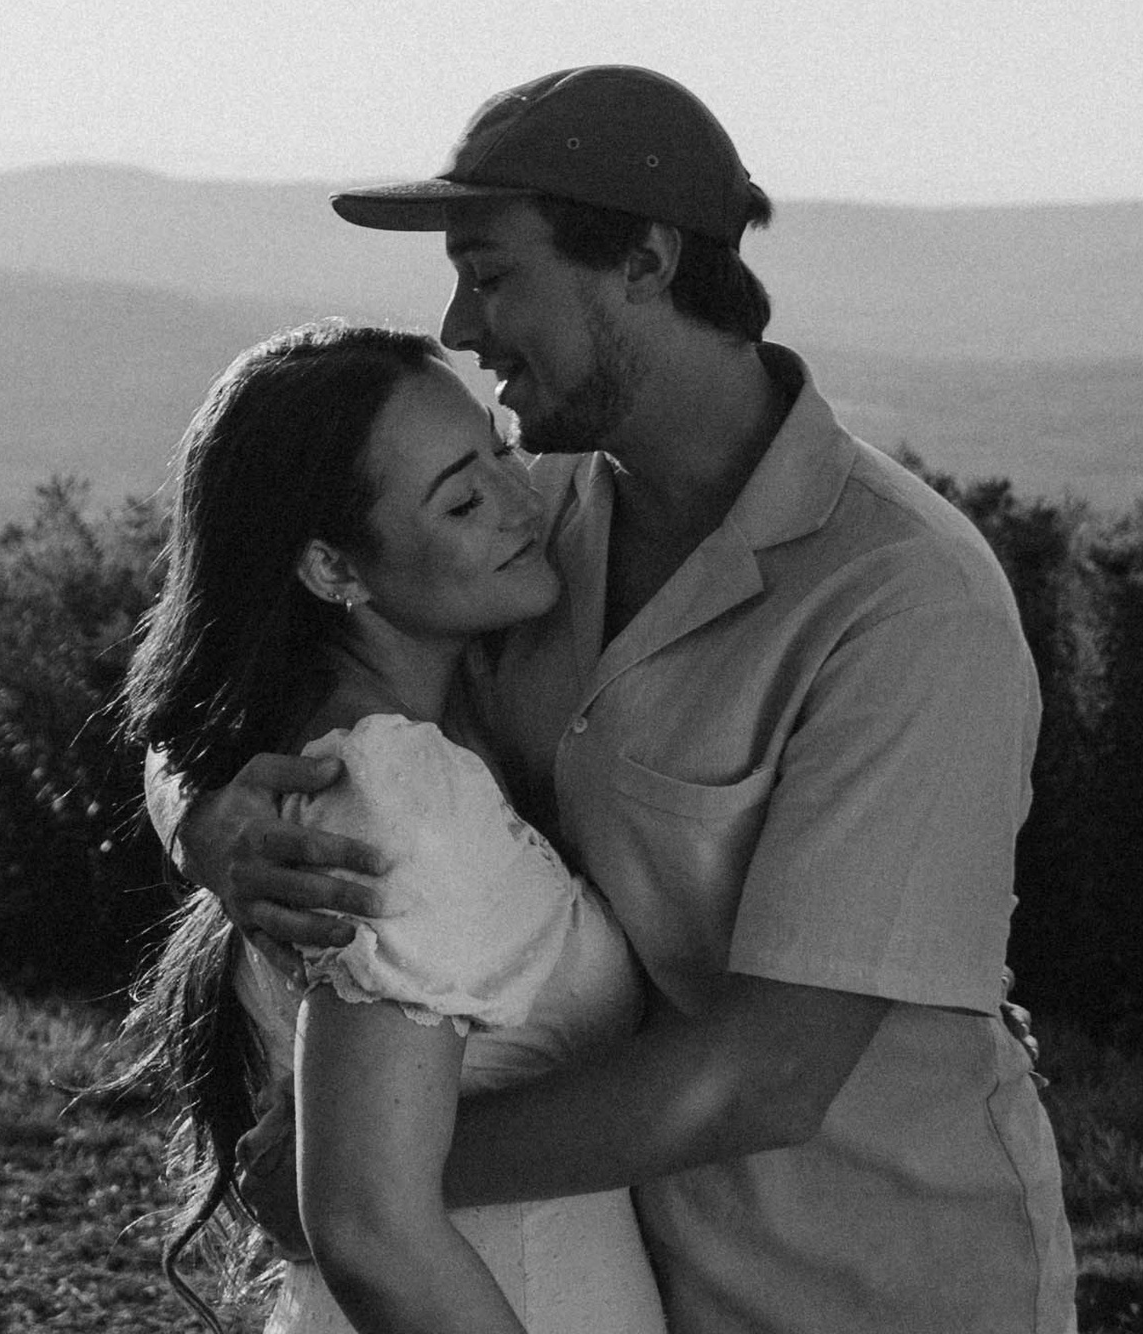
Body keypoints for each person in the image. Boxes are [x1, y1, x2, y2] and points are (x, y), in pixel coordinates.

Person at [158, 67, 1077, 1334]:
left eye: (490, 274)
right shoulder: (533, 529)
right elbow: (294, 679)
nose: (461, 326)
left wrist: (362, 1187)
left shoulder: (905, 603)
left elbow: (766, 1076)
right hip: (609, 1278)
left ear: (641, 262)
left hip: (868, 1283)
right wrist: (200, 813)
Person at [123, 319, 668, 1334]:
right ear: (333, 570)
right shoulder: (400, 795)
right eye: (462, 499)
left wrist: (185, 809)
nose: (521, 501)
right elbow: (371, 1231)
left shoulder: (328, 754)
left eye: (499, 452)